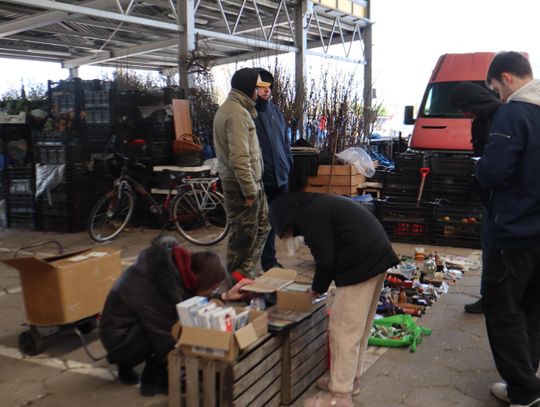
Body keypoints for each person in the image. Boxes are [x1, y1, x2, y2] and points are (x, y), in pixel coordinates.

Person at [269, 192, 399, 407]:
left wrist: (316, 289)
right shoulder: (314, 206)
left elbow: (325, 261)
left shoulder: (310, 215)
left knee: (343, 330)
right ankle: (349, 380)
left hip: (361, 263)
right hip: (376, 255)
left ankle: (339, 396)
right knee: (359, 327)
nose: (287, 236)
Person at [99, 236, 252, 396]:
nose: (213, 292)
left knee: (177, 319)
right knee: (174, 329)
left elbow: (189, 297)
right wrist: (188, 366)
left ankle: (127, 362)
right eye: (212, 288)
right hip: (118, 337)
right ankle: (153, 380)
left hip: (126, 324)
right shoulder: (155, 286)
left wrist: (224, 296)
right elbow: (163, 335)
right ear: (198, 279)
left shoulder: (177, 268)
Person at [477, 51, 540, 407]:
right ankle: (525, 379)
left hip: (513, 231)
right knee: (533, 307)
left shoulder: (514, 113)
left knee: (503, 309)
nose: (498, 96)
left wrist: (480, 169)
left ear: (507, 77)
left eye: (496, 88)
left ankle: (524, 392)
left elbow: (494, 173)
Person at [213, 68, 271, 281]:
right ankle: (236, 280)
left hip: (251, 183)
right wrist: (249, 191)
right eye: (256, 88)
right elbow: (239, 158)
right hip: (242, 187)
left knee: (262, 227)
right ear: (248, 88)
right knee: (243, 237)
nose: (258, 92)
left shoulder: (237, 109)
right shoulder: (236, 114)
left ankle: (243, 274)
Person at [449, 82, 502, 314]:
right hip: (488, 195)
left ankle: (498, 300)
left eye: (463, 109)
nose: (463, 114)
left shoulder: (501, 118)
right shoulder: (481, 120)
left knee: (497, 250)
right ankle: (489, 297)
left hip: (502, 196)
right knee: (489, 248)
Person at [253, 68, 293, 271]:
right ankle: (263, 262)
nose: (266, 90)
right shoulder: (248, 114)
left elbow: (285, 140)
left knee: (274, 221)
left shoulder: (275, 111)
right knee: (261, 223)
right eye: (261, 87)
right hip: (262, 178)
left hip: (280, 176)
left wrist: (288, 162)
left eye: (268, 87)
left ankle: (269, 260)